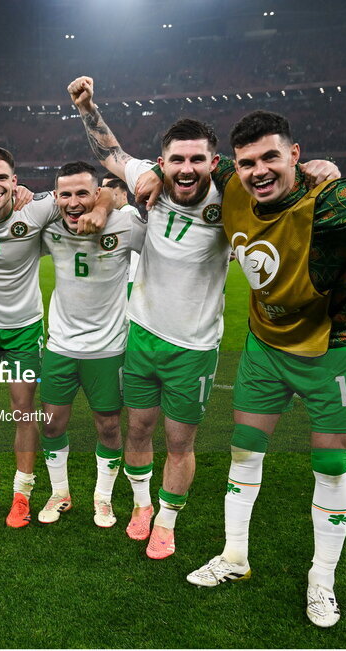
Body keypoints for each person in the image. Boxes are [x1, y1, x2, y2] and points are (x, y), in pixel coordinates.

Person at [184, 110, 346, 628]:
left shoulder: (332, 200)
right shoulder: (230, 181)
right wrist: (143, 175)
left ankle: (320, 580)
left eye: (271, 157)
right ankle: (235, 557)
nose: (258, 171)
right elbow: (184, 167)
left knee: (330, 466)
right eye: (247, 161)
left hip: (332, 349)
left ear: (295, 154)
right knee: (243, 451)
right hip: (264, 345)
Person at [70, 77, 232, 559]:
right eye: (177, 160)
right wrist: (87, 108)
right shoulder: (149, 178)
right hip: (140, 335)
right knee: (137, 429)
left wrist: (319, 169)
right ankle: (141, 505)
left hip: (194, 347)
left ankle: (166, 519)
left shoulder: (231, 201)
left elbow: (281, 179)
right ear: (162, 162)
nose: (186, 168)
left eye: (196, 159)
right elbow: (110, 153)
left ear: (213, 163)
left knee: (180, 443)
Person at [0, 146, 112, 527]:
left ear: (15, 182)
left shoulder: (38, 208)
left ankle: (22, 493)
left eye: (2, 178)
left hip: (23, 330)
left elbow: (103, 192)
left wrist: (101, 206)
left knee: (23, 411)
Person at [36, 161, 146, 528]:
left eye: (83, 193)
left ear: (98, 193)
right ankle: (60, 493)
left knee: (110, 428)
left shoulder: (125, 221)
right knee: (51, 426)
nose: (73, 201)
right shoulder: (48, 224)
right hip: (60, 346)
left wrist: (106, 207)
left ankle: (103, 498)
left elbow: (131, 210)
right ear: (55, 197)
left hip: (109, 348)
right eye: (65, 194)